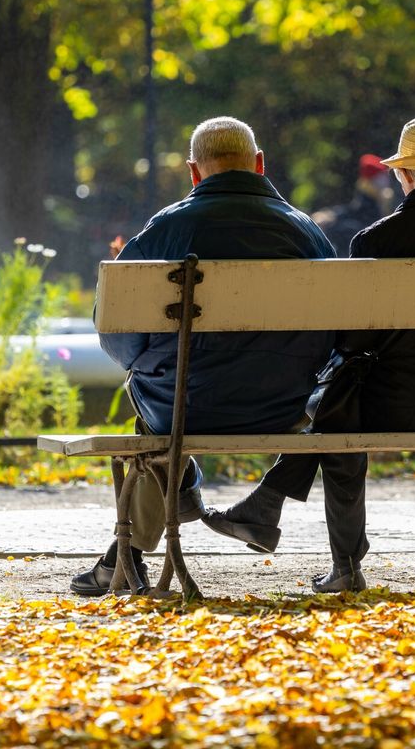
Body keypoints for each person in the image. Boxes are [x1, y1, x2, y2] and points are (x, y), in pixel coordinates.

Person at [202, 115, 415, 593]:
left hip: (397, 407)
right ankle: (265, 506)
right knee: (342, 401)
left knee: (340, 405)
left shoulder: (374, 242)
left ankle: (337, 558)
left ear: (403, 175)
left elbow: (352, 343)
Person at [70, 117, 336, 596]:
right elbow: (332, 335)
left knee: (154, 412)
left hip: (183, 407)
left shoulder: (166, 229)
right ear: (259, 165)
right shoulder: (305, 232)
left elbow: (116, 333)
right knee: (161, 401)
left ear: (194, 172)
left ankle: (131, 550)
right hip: (283, 407)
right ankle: (159, 516)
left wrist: (144, 365)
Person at [312, 154, 394, 255]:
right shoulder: (371, 203)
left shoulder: (378, 200)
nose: (385, 181)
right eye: (381, 177)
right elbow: (356, 211)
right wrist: (332, 216)